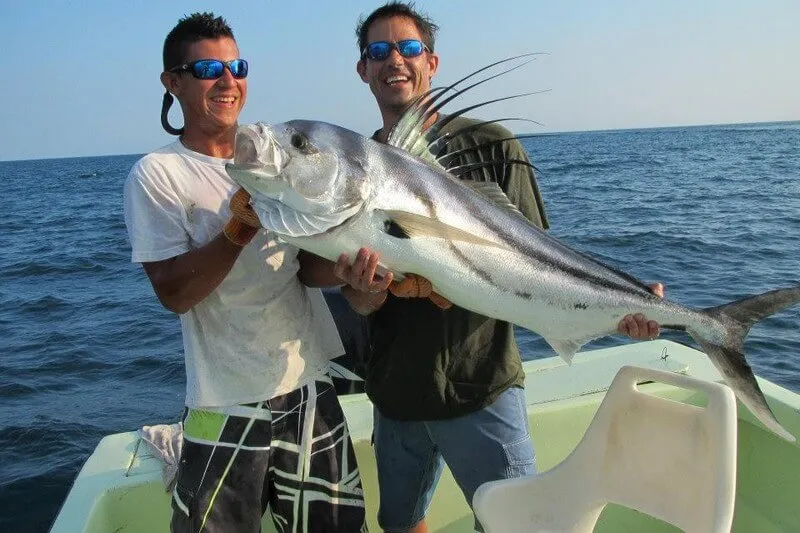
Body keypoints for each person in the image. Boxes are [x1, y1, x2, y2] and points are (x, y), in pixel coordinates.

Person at [336, 3, 663, 532]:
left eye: (408, 48)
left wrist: (620, 304)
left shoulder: (493, 144)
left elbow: (541, 263)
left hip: (480, 384)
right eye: (379, 51)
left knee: (520, 525)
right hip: (395, 390)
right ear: (363, 70)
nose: (394, 59)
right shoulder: (354, 167)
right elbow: (360, 300)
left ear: (432, 62)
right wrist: (364, 292)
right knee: (400, 523)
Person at [122, 12, 366, 533]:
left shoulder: (278, 160)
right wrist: (237, 228)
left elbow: (304, 269)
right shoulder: (158, 174)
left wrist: (352, 272)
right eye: (209, 67)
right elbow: (174, 292)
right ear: (173, 82)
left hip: (308, 385)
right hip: (223, 397)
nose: (228, 80)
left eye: (238, 65)